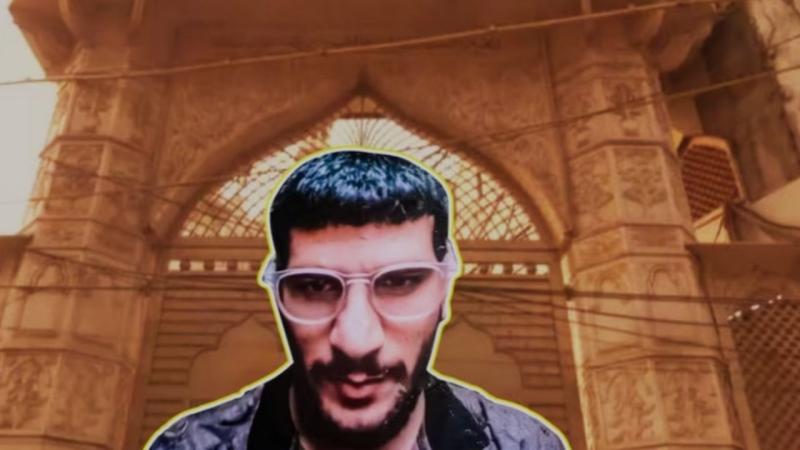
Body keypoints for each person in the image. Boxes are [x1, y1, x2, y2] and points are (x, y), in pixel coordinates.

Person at [146, 149, 569, 450]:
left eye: (400, 282)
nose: (356, 341)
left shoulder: (521, 445)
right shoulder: (191, 446)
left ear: (445, 291)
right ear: (277, 293)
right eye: (315, 287)